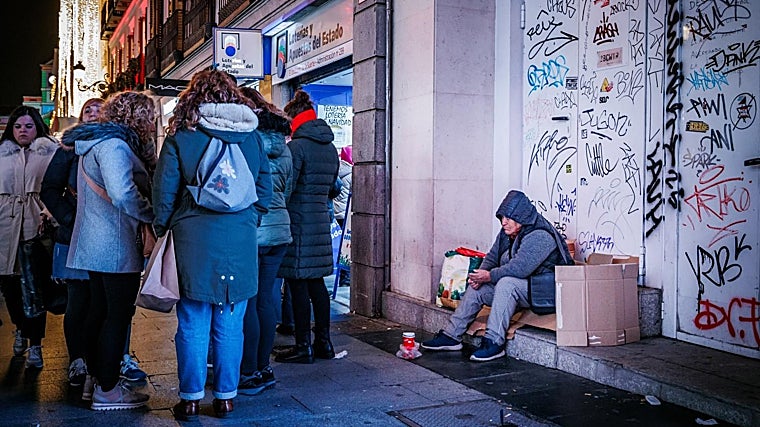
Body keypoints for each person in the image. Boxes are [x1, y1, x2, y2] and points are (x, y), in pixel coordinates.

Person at [153, 70, 272, 421]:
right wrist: (249, 219)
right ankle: (226, 397)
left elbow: (164, 192)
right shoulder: (252, 138)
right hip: (240, 238)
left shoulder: (181, 137)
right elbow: (264, 190)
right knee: (231, 322)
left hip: (194, 237)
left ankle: (190, 397)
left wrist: (164, 227)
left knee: (191, 321)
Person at [66, 91, 157, 410]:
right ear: (137, 117)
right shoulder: (114, 146)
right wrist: (150, 213)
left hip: (96, 240)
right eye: (149, 116)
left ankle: (95, 380)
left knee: (99, 311)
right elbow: (122, 193)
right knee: (116, 315)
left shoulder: (95, 143)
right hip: (115, 242)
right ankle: (107, 389)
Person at [421, 190, 574, 362]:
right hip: (525, 288)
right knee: (478, 287)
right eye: (502, 218)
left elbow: (519, 269)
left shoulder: (540, 236)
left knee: (506, 283)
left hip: (545, 290)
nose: (504, 222)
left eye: (508, 218)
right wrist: (479, 276)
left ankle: (494, 342)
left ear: (522, 217)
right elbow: (492, 257)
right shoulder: (508, 233)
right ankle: (451, 335)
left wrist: (488, 276)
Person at [40, 97, 103, 386]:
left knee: (109, 301)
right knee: (78, 300)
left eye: (98, 108)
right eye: (87, 109)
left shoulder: (118, 141)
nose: (93, 112)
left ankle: (110, 357)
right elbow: (50, 188)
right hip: (75, 233)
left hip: (108, 235)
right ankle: (77, 359)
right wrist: (68, 218)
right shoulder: (69, 146)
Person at [275, 89, 340, 364]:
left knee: (298, 285)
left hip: (298, 224)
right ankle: (323, 342)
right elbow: (334, 188)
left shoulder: (297, 148)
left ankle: (303, 346)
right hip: (320, 223)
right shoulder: (330, 147)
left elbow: (287, 188)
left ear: (294, 120)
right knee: (317, 286)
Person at [237, 87, 293, 395]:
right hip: (279, 229)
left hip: (253, 228)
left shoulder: (247, 140)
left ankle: (248, 371)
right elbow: (287, 188)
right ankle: (264, 368)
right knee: (267, 299)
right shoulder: (283, 145)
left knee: (247, 302)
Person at [0, 106, 59, 369]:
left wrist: (49, 212)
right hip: (4, 227)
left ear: (37, 127)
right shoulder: (1, 155)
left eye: (28, 126)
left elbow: (59, 187)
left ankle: (35, 342)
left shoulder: (50, 151)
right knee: (9, 286)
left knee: (36, 287)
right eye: (18, 126)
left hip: (36, 226)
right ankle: (20, 328)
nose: (23, 130)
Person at [333, 146, 353, 287]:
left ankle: (342, 276)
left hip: (336, 213)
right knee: (348, 247)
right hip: (347, 213)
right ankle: (346, 277)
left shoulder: (337, 171)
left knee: (342, 246)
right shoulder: (352, 174)